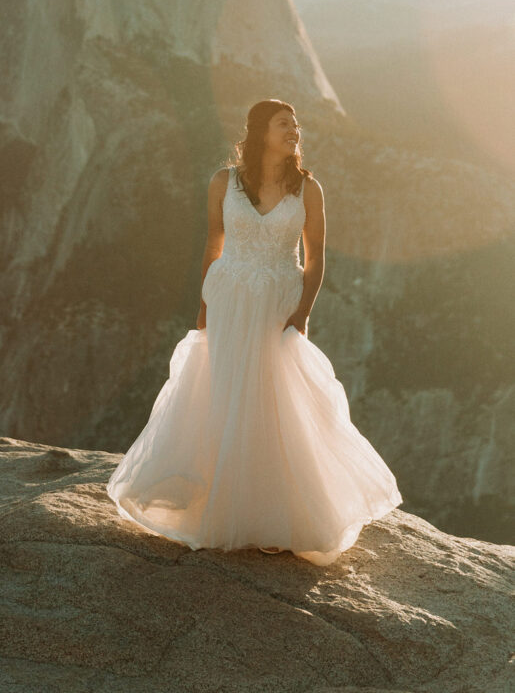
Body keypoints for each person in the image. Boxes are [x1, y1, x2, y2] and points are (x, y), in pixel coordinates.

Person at [106, 99, 403, 565]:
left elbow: (316, 256)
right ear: (261, 131)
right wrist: (203, 304)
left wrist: (303, 312)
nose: (295, 131)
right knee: (227, 395)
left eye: (297, 125)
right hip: (229, 297)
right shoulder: (223, 182)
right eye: (286, 124)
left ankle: (272, 516)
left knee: (272, 403)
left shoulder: (308, 189)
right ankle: (219, 507)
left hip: (277, 303)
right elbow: (213, 242)